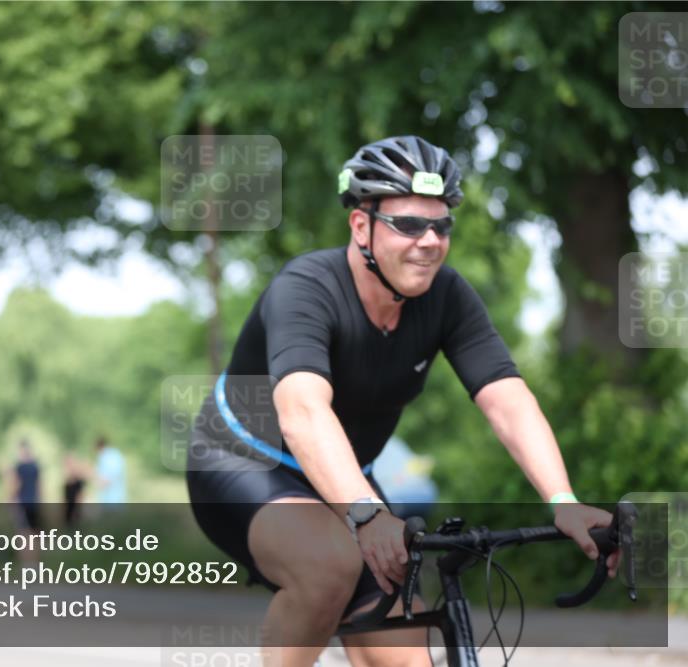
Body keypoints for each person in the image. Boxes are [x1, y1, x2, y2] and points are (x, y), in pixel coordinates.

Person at [185, 135, 620, 667]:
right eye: (409, 224)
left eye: (441, 225)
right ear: (360, 226)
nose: (430, 240)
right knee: (328, 567)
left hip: (348, 476)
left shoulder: (447, 296)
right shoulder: (305, 288)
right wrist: (367, 515)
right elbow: (302, 413)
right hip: (245, 463)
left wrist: (563, 501)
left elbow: (508, 401)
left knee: (408, 657)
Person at [94, 437, 126, 505]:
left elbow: (114, 474)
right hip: (108, 496)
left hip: (114, 496)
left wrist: (103, 482)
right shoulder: (104, 456)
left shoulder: (110, 456)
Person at [62, 451, 88, 529]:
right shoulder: (67, 477)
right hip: (69, 504)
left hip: (76, 505)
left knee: (76, 520)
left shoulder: (78, 478)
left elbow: (80, 493)